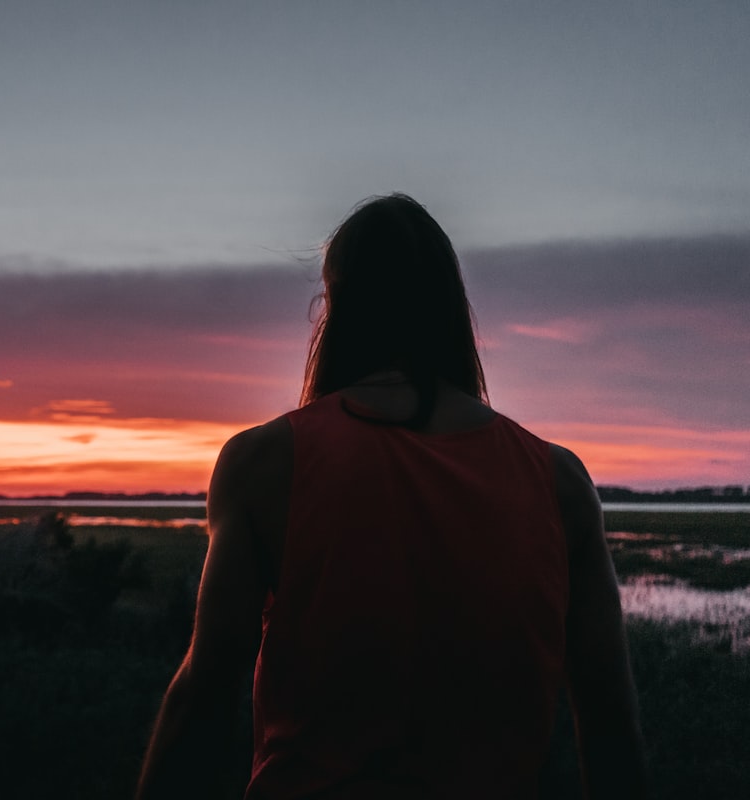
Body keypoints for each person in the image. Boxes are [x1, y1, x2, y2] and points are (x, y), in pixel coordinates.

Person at [135, 194, 645, 799]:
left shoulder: (265, 460)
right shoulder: (560, 480)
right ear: (450, 307)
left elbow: (206, 693)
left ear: (338, 309)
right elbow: (608, 717)